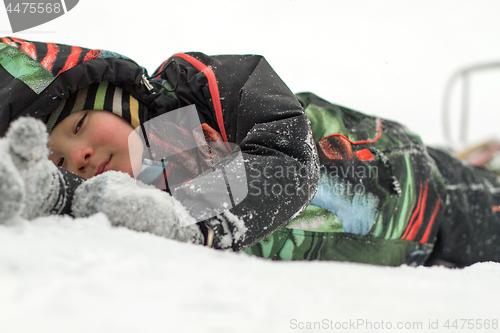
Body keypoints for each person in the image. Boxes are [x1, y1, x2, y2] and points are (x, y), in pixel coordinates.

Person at [1, 37, 499, 267]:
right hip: (405, 251)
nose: (81, 155)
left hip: (421, 190)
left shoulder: (194, 91)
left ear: (118, 96)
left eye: (80, 125)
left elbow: (286, 161)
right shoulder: (133, 188)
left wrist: (194, 216)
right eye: (59, 162)